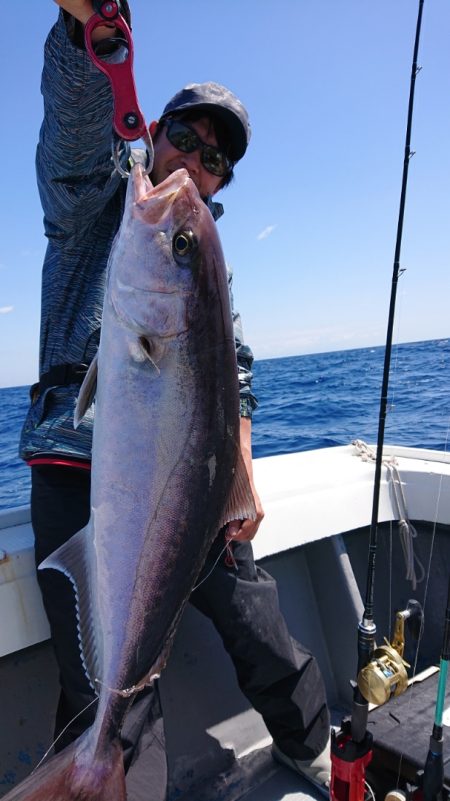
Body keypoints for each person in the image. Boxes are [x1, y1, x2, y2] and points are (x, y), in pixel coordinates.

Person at [19, 1, 331, 798]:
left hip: (193, 477)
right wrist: (85, 38)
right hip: (77, 466)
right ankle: (103, 768)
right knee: (110, 690)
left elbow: (237, 364)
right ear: (153, 132)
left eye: (215, 158)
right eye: (185, 137)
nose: (195, 162)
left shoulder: (202, 261)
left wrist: (242, 464)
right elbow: (73, 134)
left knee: (256, 616)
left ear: (224, 179)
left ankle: (314, 745)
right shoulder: (98, 208)